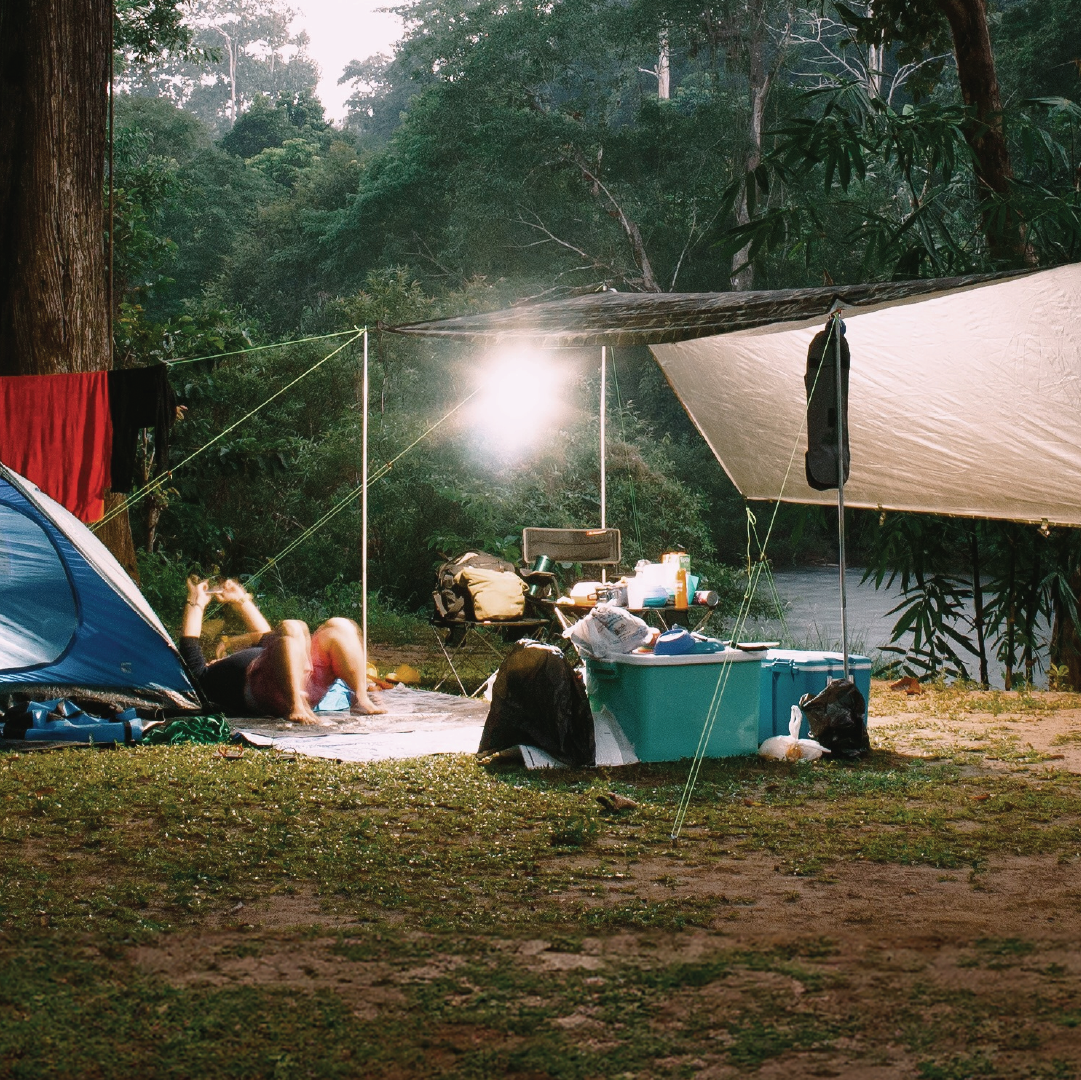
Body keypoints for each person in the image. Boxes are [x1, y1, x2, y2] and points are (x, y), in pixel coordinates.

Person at [179, 576, 385, 722]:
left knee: (339, 626)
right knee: (293, 627)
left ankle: (361, 698)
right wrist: (194, 603)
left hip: (303, 683)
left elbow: (267, 636)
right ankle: (294, 706)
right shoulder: (203, 677)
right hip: (268, 692)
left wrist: (240, 600)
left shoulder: (268, 652)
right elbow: (189, 646)